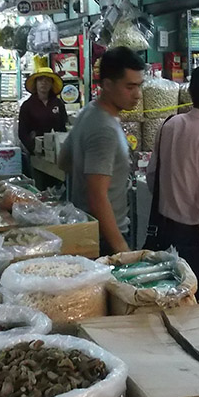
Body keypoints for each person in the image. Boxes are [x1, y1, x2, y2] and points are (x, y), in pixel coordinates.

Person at [146, 65, 199, 300]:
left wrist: (173, 199)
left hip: (164, 230)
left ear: (190, 93)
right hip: (194, 243)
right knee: (192, 307)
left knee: (166, 301)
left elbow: (152, 176)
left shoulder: (169, 125)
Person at [59, 47, 145, 255]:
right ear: (107, 85)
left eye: (139, 86)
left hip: (88, 228)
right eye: (130, 87)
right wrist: (121, 249)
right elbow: (98, 195)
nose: (137, 95)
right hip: (105, 238)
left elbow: (63, 160)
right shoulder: (105, 129)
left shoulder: (89, 111)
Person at [18, 63, 69, 156]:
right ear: (35, 83)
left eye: (47, 80)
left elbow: (63, 126)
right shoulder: (27, 105)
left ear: (52, 84)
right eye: (40, 80)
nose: (44, 83)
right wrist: (33, 149)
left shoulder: (58, 104)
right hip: (36, 151)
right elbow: (22, 132)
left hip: (56, 150)